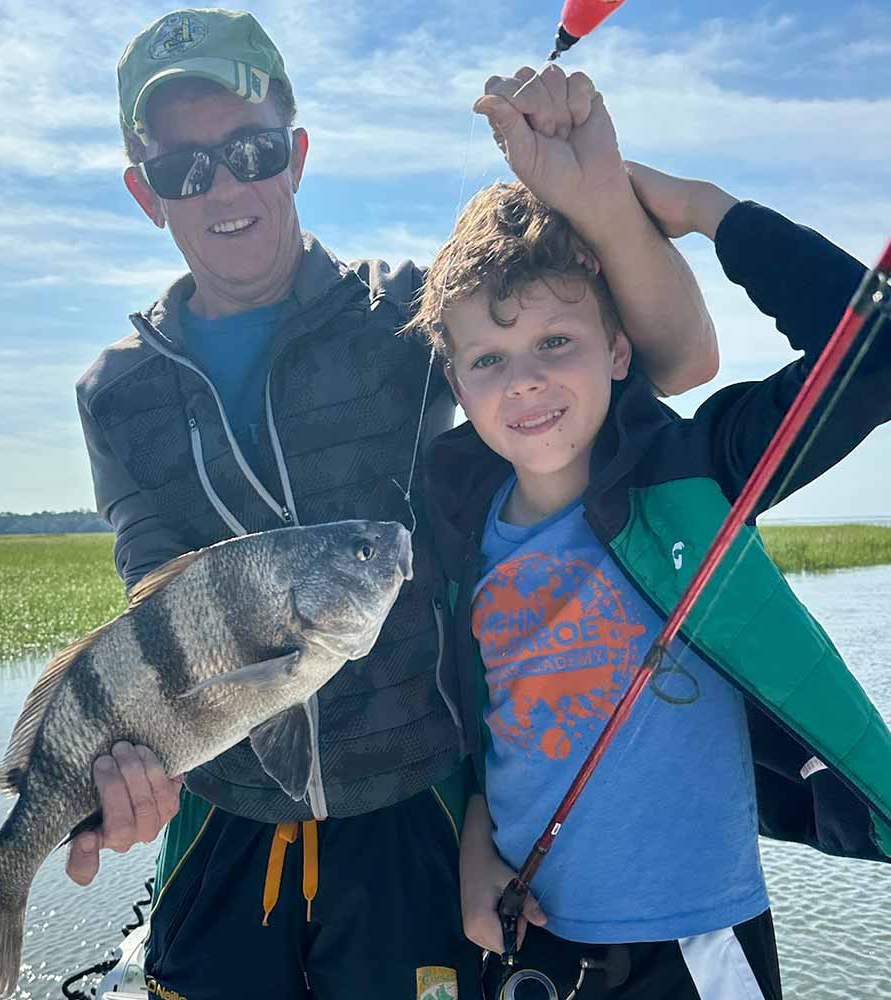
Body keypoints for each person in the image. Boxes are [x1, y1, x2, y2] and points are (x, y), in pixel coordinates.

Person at [72, 9, 719, 999]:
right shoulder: (114, 392)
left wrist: (596, 194)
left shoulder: (405, 316)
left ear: (294, 153)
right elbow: (152, 597)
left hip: (415, 805)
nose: (224, 186)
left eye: (247, 150)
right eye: (183, 168)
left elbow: (673, 359)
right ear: (141, 191)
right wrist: (113, 776)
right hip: (222, 817)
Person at [412, 147, 891, 995]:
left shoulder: (690, 474)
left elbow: (875, 348)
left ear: (620, 352)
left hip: (700, 945)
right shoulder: (453, 538)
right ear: (455, 379)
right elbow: (478, 728)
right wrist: (473, 847)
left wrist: (708, 209)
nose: (523, 381)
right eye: (488, 358)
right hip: (533, 947)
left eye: (555, 340)